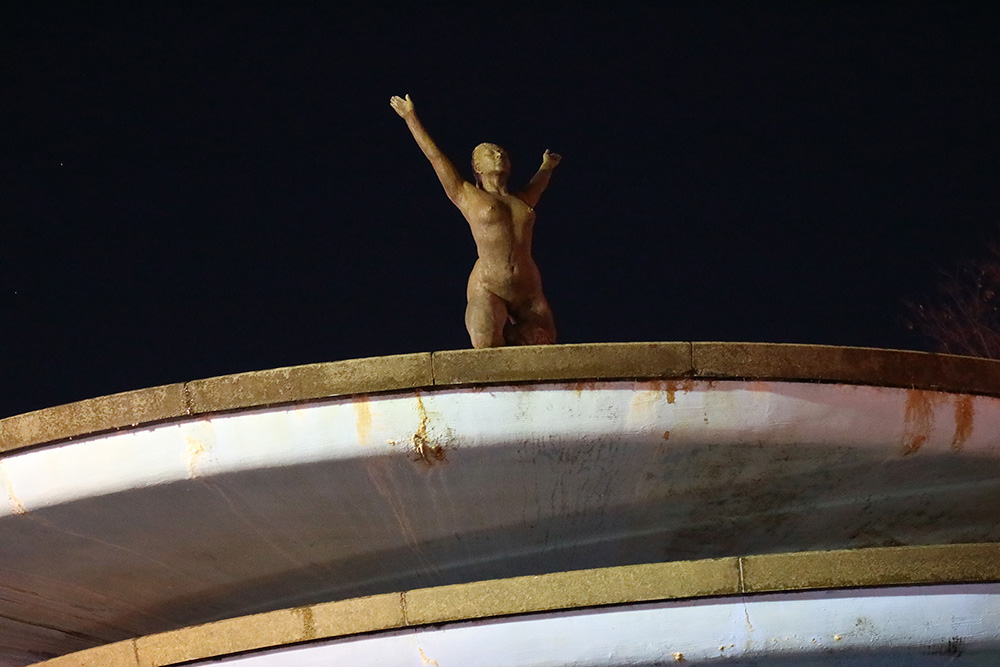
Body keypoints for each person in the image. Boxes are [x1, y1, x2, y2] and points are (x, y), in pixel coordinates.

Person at [390, 94, 560, 348]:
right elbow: (435, 157)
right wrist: (410, 117)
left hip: (529, 292)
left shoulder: (522, 199)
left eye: (501, 152)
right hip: (489, 286)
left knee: (545, 344)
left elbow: (540, 181)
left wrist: (547, 165)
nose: (498, 154)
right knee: (485, 341)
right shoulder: (467, 194)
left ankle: (513, 339)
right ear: (477, 168)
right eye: (489, 153)